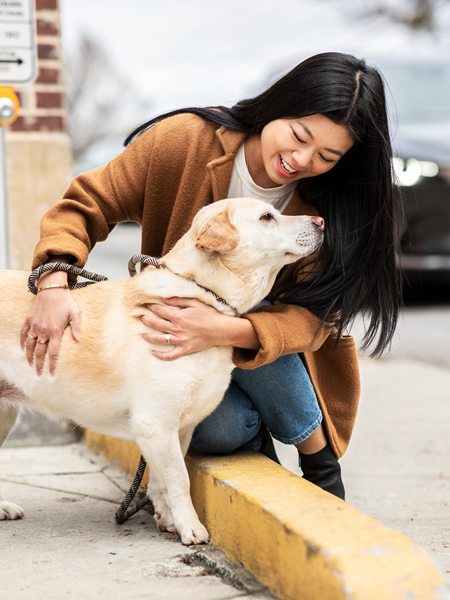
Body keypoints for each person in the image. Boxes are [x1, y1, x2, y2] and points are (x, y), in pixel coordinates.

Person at [20, 52, 402, 501]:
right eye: (299, 135)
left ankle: (320, 465)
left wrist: (222, 328)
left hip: (271, 356)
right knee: (220, 432)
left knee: (252, 306)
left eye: (327, 156)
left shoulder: (322, 207)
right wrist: (52, 282)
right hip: (173, 344)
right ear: (277, 105)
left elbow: (312, 317)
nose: (301, 159)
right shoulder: (184, 141)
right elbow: (87, 205)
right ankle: (255, 431)